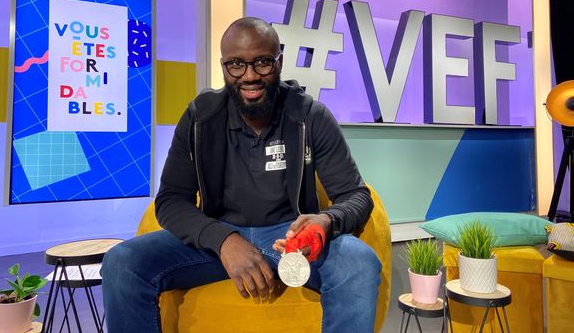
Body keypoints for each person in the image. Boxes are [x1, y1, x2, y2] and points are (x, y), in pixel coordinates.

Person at [101, 17, 381, 332]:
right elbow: (170, 200)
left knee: (359, 264)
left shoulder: (310, 117)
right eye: (236, 65)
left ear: (279, 62)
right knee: (122, 263)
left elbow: (356, 195)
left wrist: (325, 221)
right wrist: (223, 242)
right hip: (215, 239)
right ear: (223, 66)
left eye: (262, 63)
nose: (249, 77)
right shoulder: (200, 117)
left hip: (289, 242)